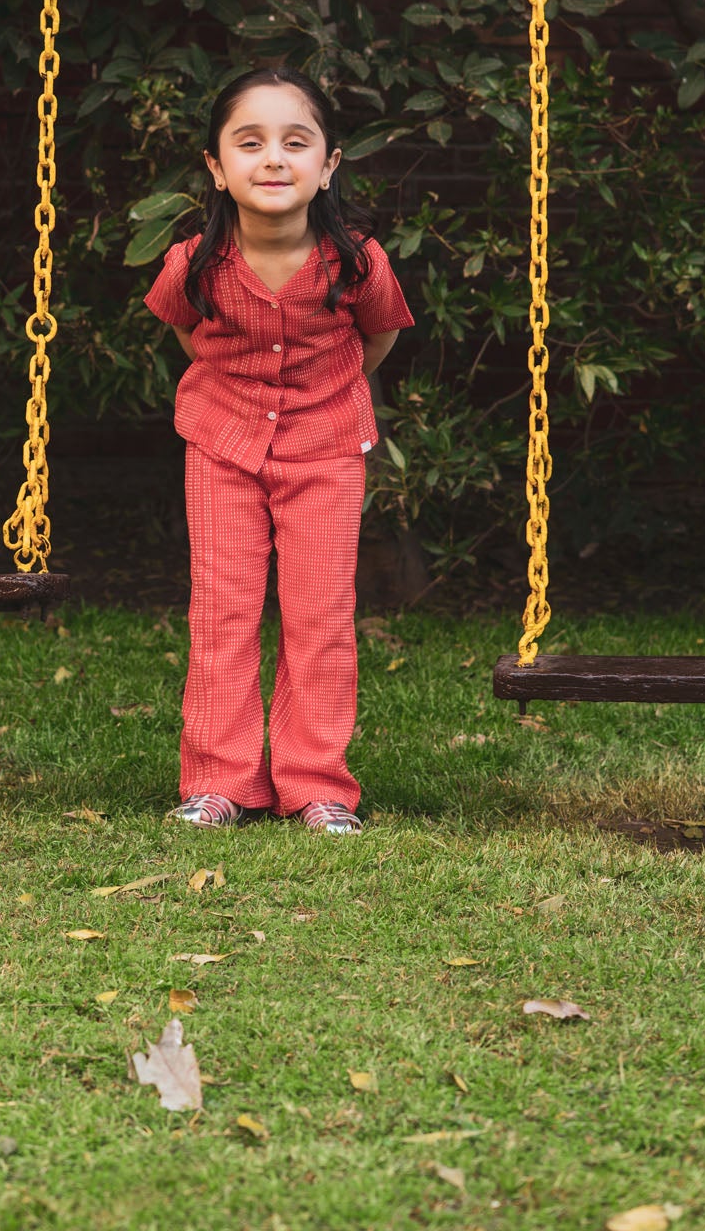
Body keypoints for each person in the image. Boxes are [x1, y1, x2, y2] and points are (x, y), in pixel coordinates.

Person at [144, 65, 414, 835]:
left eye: (296, 143)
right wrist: (239, 399)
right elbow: (185, 328)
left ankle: (315, 784)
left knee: (318, 614)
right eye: (250, 142)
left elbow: (382, 335)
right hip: (222, 446)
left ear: (328, 165)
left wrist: (322, 399)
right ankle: (219, 781)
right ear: (216, 168)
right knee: (223, 611)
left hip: (325, 451)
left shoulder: (357, 262)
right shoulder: (193, 262)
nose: (273, 159)